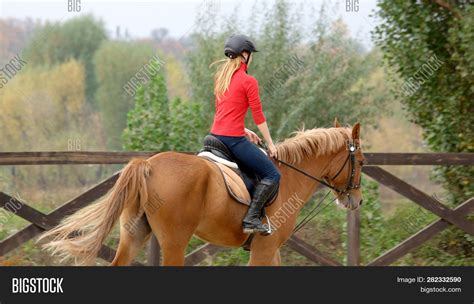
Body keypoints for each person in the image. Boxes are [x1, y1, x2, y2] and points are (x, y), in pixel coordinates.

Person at [210, 34, 281, 235]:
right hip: (232, 141)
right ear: (245, 55)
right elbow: (258, 116)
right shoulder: (248, 81)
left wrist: (244, 129)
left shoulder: (221, 78)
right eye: (251, 55)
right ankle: (251, 219)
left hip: (215, 138)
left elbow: (222, 113)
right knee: (273, 174)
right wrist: (271, 144)